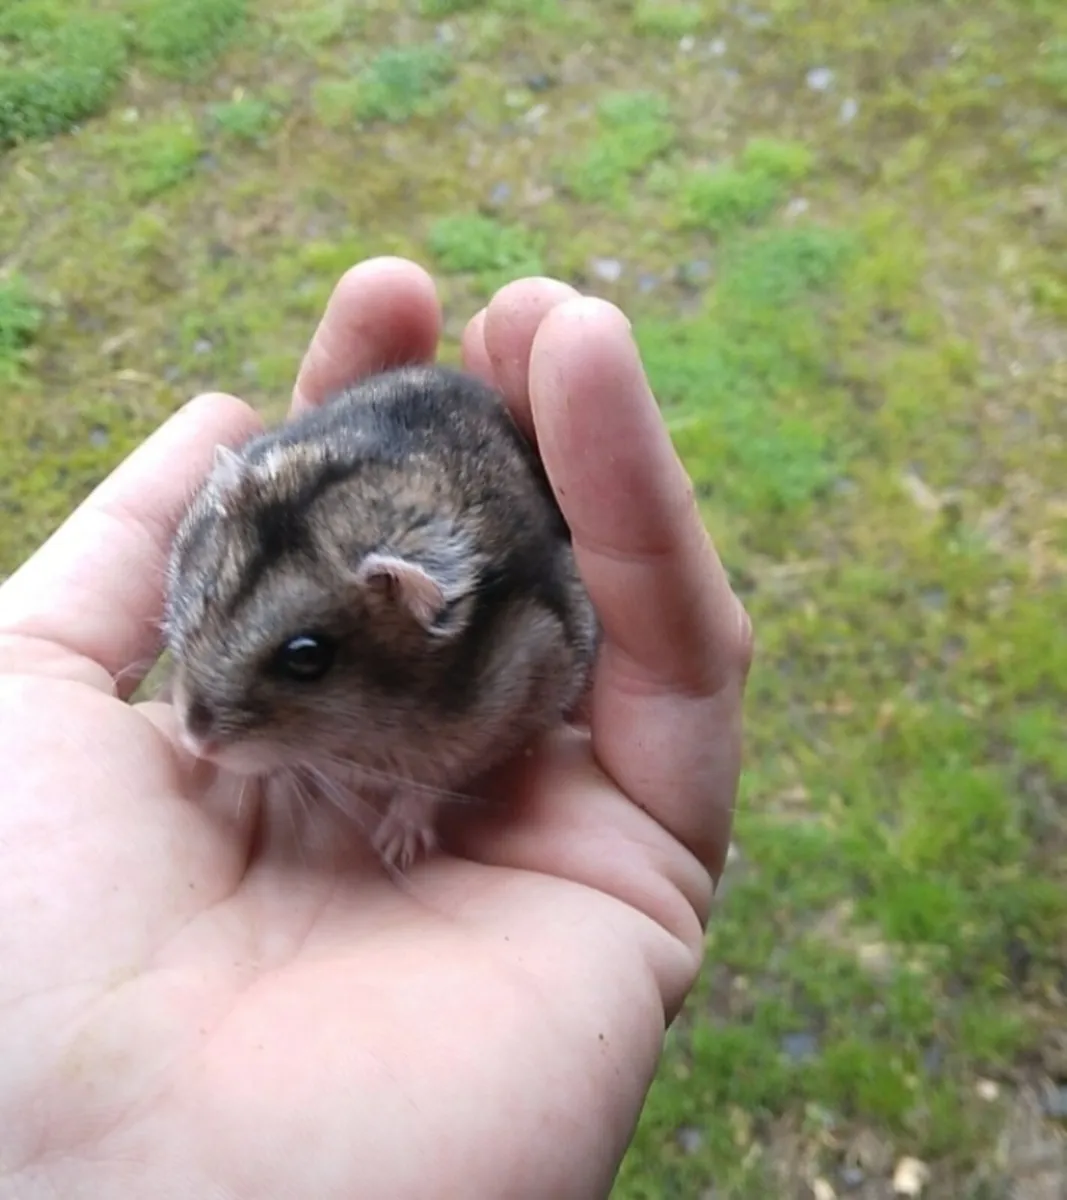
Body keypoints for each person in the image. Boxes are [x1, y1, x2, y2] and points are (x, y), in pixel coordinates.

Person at [0, 259, 752, 1199]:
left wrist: (408, 795)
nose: (200, 728)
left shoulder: (462, 659)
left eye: (303, 659)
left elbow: (547, 652)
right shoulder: (243, 517)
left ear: (407, 611)